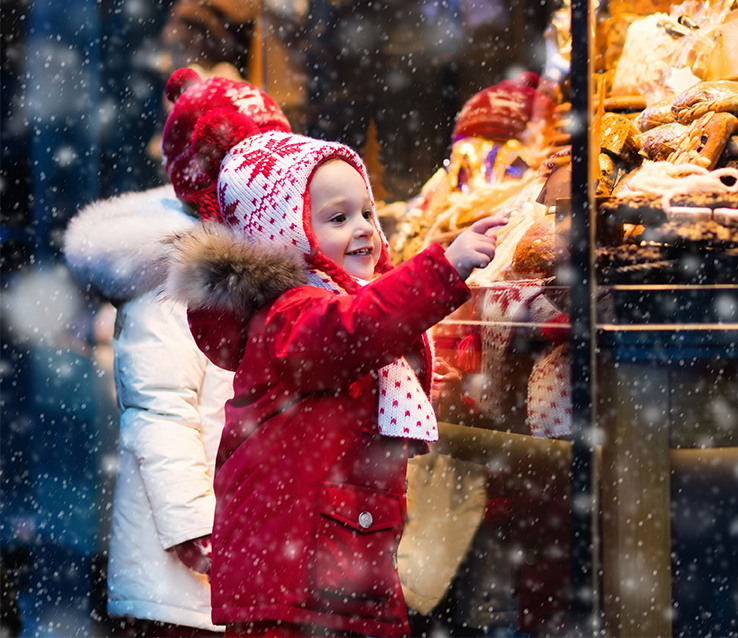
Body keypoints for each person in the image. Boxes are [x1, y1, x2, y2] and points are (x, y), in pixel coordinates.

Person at [160, 67, 503, 637]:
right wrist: (443, 268)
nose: (365, 228)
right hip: (297, 583)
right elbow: (357, 330)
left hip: (337, 565)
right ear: (287, 235)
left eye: (367, 211)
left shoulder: (334, 308)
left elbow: (372, 341)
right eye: (337, 218)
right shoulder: (291, 316)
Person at [62, 73, 293, 637]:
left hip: (240, 533)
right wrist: (193, 525)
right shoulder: (175, 278)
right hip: (188, 558)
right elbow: (159, 412)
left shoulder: (250, 263)